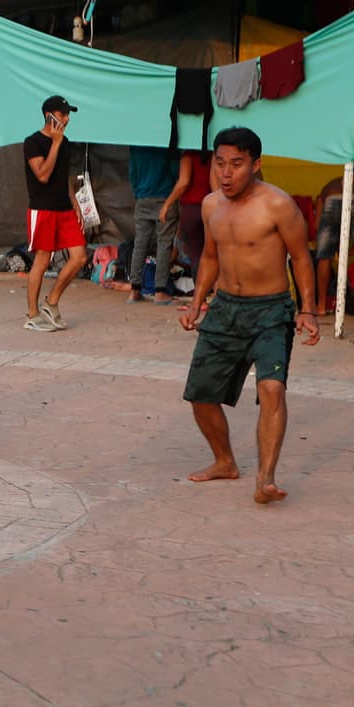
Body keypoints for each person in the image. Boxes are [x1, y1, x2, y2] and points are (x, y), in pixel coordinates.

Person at [179, 127, 319, 505]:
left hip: (271, 310)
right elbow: (210, 256)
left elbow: (302, 258)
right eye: (220, 163)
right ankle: (224, 462)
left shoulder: (278, 205)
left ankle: (266, 478)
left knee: (272, 388)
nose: (226, 173)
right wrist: (197, 302)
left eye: (236, 164)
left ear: (256, 165)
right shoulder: (211, 205)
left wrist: (307, 309)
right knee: (200, 395)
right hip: (224, 308)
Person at [22, 95, 88, 332]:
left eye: (68, 114)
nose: (67, 119)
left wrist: (75, 203)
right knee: (42, 260)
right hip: (43, 208)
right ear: (49, 115)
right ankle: (32, 314)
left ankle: (51, 302)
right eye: (62, 115)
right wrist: (56, 143)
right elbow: (43, 174)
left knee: (80, 256)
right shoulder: (33, 142)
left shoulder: (66, 142)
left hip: (64, 208)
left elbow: (63, 175)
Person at [124, 145, 179, 304]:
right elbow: (176, 172)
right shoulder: (167, 145)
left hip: (142, 198)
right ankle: (160, 291)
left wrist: (138, 193)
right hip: (166, 198)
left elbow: (132, 174)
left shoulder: (136, 146)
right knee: (164, 244)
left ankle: (134, 290)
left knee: (140, 243)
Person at [311, 175, 354, 316]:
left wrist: (317, 222)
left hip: (329, 200)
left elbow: (320, 199)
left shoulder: (332, 183)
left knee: (324, 257)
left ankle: (321, 305)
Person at [161, 151, 215, 280]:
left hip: (191, 209)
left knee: (195, 254)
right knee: (211, 254)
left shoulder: (188, 154)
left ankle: (200, 297)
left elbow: (184, 182)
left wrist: (166, 205)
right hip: (211, 207)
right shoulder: (215, 154)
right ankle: (212, 293)